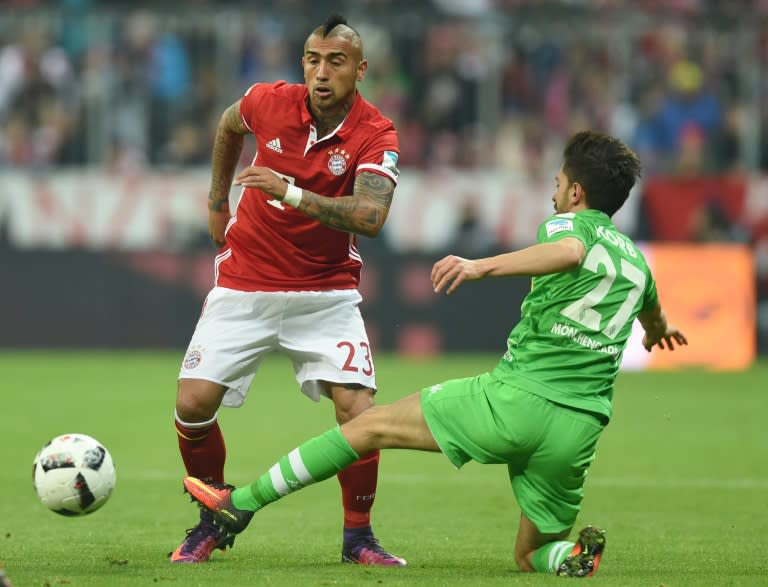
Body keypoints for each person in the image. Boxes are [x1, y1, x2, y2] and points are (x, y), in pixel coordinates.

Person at [181, 130, 688, 577]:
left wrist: (480, 267)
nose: (554, 193)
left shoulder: (567, 227)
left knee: (366, 425)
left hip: (514, 402)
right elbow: (654, 315)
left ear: (576, 191)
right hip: (577, 431)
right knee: (533, 554)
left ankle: (239, 504)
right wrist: (659, 333)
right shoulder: (637, 263)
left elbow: (570, 252)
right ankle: (568, 557)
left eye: (558, 183)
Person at [170, 14, 404, 566]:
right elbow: (229, 127)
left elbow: (371, 216)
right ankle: (210, 521)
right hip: (245, 282)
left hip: (325, 293)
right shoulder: (265, 101)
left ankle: (359, 539)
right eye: (313, 60)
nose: (322, 73)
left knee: (360, 413)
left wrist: (290, 192)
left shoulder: (377, 133)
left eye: (336, 61)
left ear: (360, 70)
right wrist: (216, 201)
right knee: (191, 405)